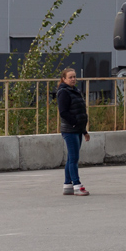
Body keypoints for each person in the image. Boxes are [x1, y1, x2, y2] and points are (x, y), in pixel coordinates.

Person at [55, 68, 90, 196]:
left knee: (71, 158)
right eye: (70, 77)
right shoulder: (63, 92)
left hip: (77, 129)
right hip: (70, 130)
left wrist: (84, 131)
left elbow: (79, 112)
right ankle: (77, 185)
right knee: (74, 158)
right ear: (64, 79)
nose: (73, 79)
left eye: (74, 77)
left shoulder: (75, 91)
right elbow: (63, 112)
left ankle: (67, 185)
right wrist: (75, 123)